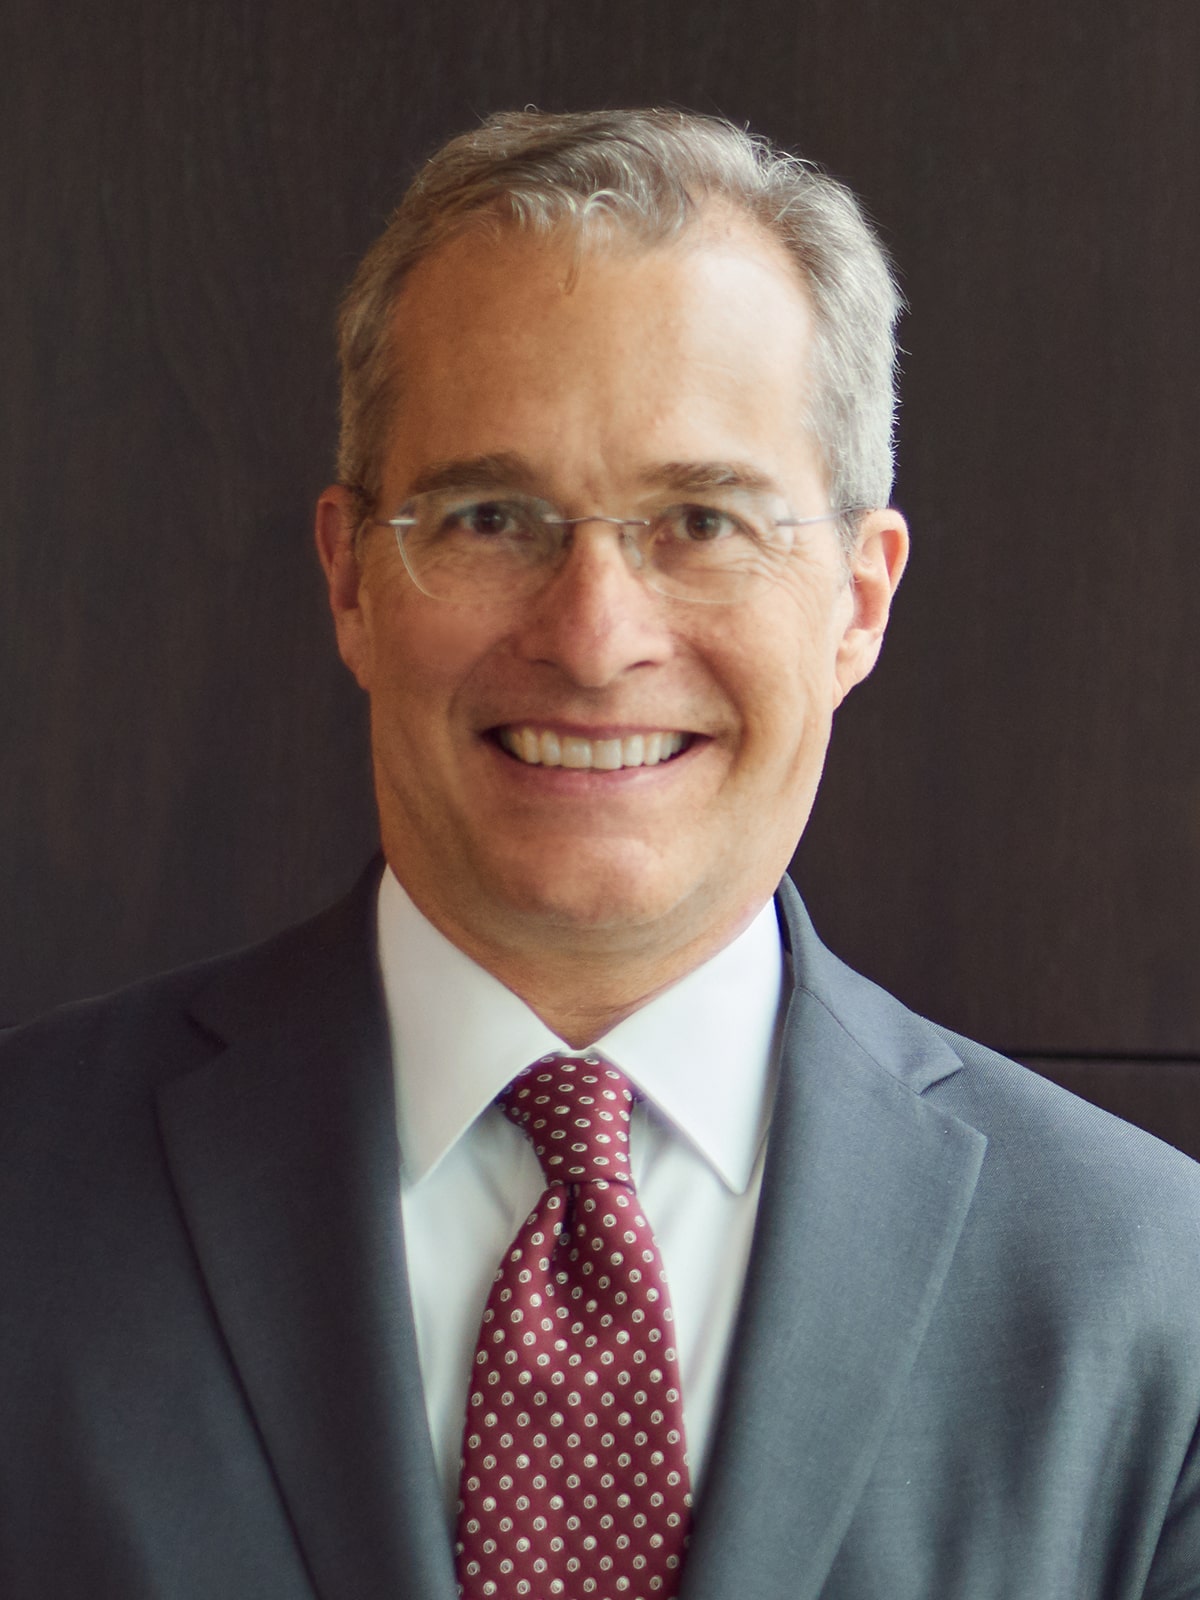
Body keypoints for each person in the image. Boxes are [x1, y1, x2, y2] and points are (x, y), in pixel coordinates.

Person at [1, 108, 1198, 1600]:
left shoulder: (1155, 1299)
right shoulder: (25, 1196)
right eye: (494, 515)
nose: (593, 635)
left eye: (701, 519)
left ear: (858, 601)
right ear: (350, 576)